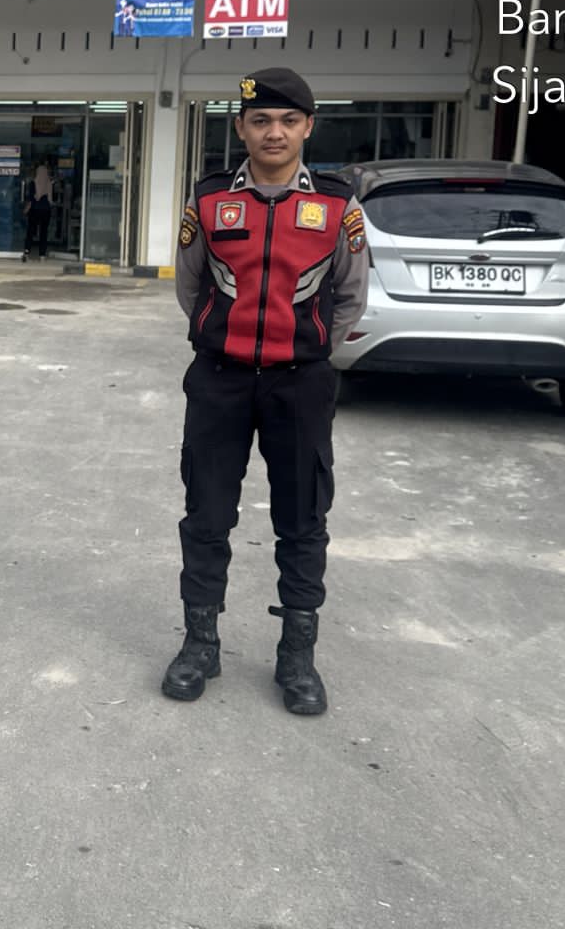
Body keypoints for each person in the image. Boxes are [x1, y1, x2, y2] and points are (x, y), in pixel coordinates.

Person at [163, 67, 368, 715]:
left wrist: (304, 346)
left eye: (287, 120)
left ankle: (297, 657)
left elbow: (350, 297)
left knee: (303, 519)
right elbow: (190, 285)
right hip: (219, 380)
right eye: (260, 120)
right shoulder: (209, 201)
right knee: (206, 514)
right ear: (241, 128)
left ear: (308, 127)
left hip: (299, 385)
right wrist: (221, 336)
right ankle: (200, 644)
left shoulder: (338, 206)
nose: (273, 132)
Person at [22, 160, 54, 261]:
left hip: (34, 210)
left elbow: (31, 199)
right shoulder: (49, 183)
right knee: (43, 233)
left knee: (30, 232)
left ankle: (27, 252)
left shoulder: (33, 183)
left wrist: (26, 209)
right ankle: (42, 255)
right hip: (46, 211)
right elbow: (50, 198)